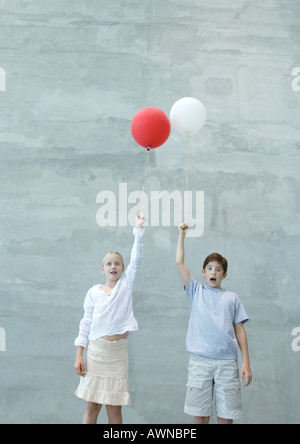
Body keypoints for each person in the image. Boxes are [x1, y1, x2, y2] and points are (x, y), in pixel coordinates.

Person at [176, 222, 252, 424]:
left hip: (227, 363)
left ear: (224, 275)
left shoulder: (232, 298)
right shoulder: (196, 291)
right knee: (200, 416)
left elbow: (240, 330)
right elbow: (179, 263)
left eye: (218, 269)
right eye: (210, 268)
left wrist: (246, 361)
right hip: (200, 361)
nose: (213, 272)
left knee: (227, 417)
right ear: (203, 272)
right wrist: (182, 235)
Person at [74, 212, 146, 424]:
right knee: (92, 405)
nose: (113, 266)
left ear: (123, 269)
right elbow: (85, 323)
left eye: (117, 263)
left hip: (117, 355)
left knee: (114, 408)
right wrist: (80, 354)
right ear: (102, 269)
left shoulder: (126, 286)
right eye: (109, 264)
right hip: (95, 353)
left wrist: (139, 231)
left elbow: (137, 259)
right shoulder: (94, 292)